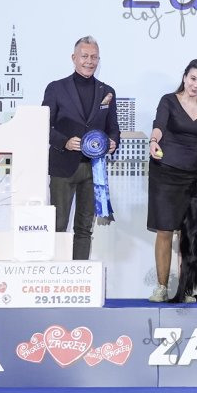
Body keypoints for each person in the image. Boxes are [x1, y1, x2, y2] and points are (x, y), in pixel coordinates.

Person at [147, 59, 197, 302]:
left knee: (188, 234)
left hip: (193, 177)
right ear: (185, 76)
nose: (196, 85)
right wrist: (153, 141)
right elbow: (159, 126)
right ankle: (161, 287)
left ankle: (184, 289)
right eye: (193, 78)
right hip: (165, 172)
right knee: (165, 230)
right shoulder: (168, 100)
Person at [42, 36, 119, 261]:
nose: (89, 61)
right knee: (58, 225)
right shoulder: (56, 88)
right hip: (63, 167)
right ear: (73, 58)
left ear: (99, 60)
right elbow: (43, 125)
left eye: (94, 57)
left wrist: (113, 142)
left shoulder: (107, 91)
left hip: (94, 170)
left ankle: (80, 274)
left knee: (85, 228)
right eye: (84, 56)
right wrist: (64, 141)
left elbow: (113, 128)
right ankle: (55, 274)